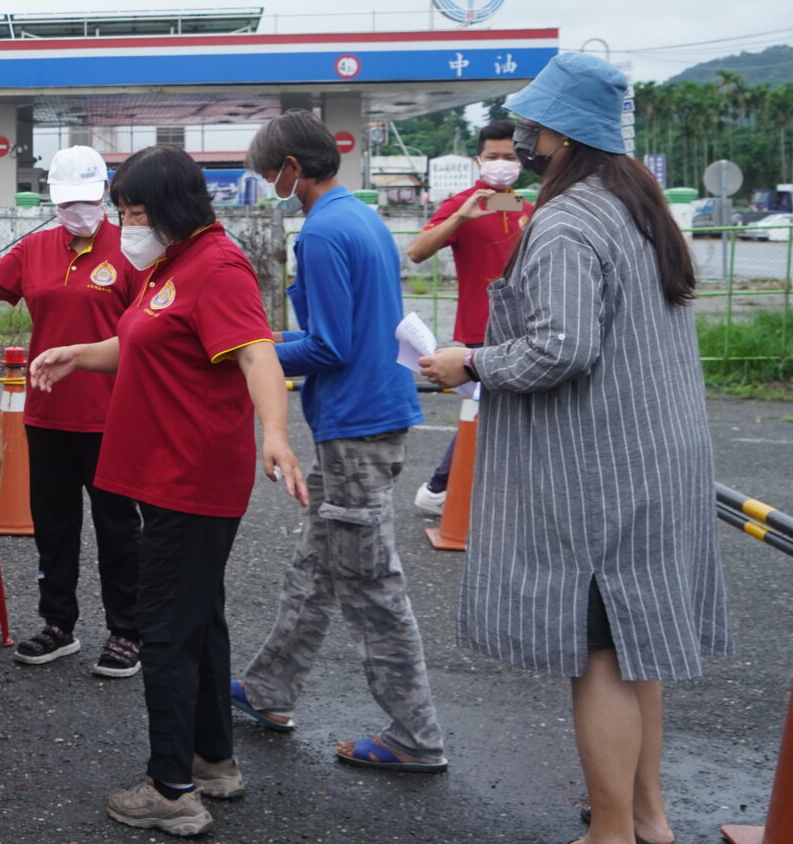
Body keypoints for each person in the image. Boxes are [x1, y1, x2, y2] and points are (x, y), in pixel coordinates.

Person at [420, 53, 730, 844]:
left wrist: (472, 361)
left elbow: (560, 348)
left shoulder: (566, 219)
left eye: (531, 125)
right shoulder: (638, 206)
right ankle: (649, 819)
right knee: (638, 650)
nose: (520, 139)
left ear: (560, 133)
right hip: (658, 461)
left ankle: (612, 832)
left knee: (596, 657)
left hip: (600, 472)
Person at [29, 145, 306, 839]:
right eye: (123, 214)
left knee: (165, 630)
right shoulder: (171, 265)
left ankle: (172, 788)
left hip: (190, 476)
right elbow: (145, 343)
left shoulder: (216, 266)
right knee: (198, 618)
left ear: (177, 208)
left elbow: (256, 351)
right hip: (165, 473)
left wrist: (275, 431)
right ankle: (213, 760)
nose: (126, 228)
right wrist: (79, 355)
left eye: (136, 214)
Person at [232, 110, 448, 772]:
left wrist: (251, 350)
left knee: (368, 580)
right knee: (319, 563)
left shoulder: (322, 234)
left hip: (353, 423)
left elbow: (328, 344)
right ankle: (268, 689)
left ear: (293, 169)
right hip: (373, 412)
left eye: (269, 173)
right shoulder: (362, 217)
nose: (269, 183)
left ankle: (415, 735)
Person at [0, 145, 142, 677]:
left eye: (86, 200)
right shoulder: (35, 249)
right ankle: (58, 624)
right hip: (46, 415)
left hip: (112, 417)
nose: (77, 211)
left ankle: (126, 631)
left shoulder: (132, 250)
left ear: (105, 193)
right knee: (53, 525)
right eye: (67, 203)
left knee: (117, 529)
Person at [405, 119, 532, 513]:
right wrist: (460, 217)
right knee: (487, 411)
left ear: (522, 161)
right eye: (492, 157)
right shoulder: (462, 203)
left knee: (505, 415)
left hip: (528, 328)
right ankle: (439, 488)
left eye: (509, 157)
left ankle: (464, 491)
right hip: (481, 329)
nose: (500, 164)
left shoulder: (530, 207)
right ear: (478, 160)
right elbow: (416, 252)